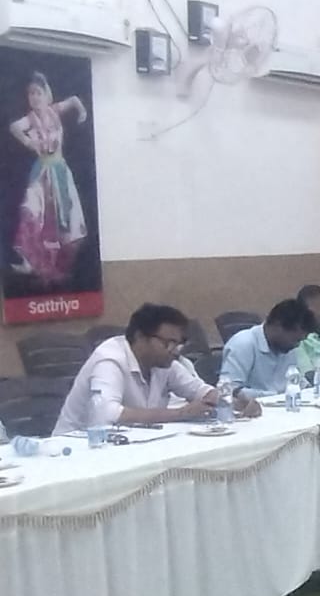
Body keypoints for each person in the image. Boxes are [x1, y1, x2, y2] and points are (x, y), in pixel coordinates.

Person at [54, 304, 221, 434]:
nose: (175, 351)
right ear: (140, 336)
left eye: (178, 344)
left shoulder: (164, 362)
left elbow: (203, 391)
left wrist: (210, 400)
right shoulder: (109, 359)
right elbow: (106, 415)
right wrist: (180, 413)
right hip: (75, 451)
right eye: (168, 343)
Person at [9, 71, 89, 284]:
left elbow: (74, 100)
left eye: (38, 93)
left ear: (46, 94)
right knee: (30, 210)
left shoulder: (54, 111)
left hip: (60, 172)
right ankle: (29, 261)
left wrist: (82, 112)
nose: (35, 97)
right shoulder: (30, 120)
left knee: (62, 220)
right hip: (42, 171)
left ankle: (57, 267)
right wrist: (29, 142)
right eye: (31, 93)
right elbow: (14, 127)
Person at [220, 299, 316, 400]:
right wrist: (273, 396)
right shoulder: (243, 343)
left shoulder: (287, 348)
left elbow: (295, 380)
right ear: (277, 325)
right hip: (253, 407)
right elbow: (230, 390)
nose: (297, 345)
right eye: (295, 340)